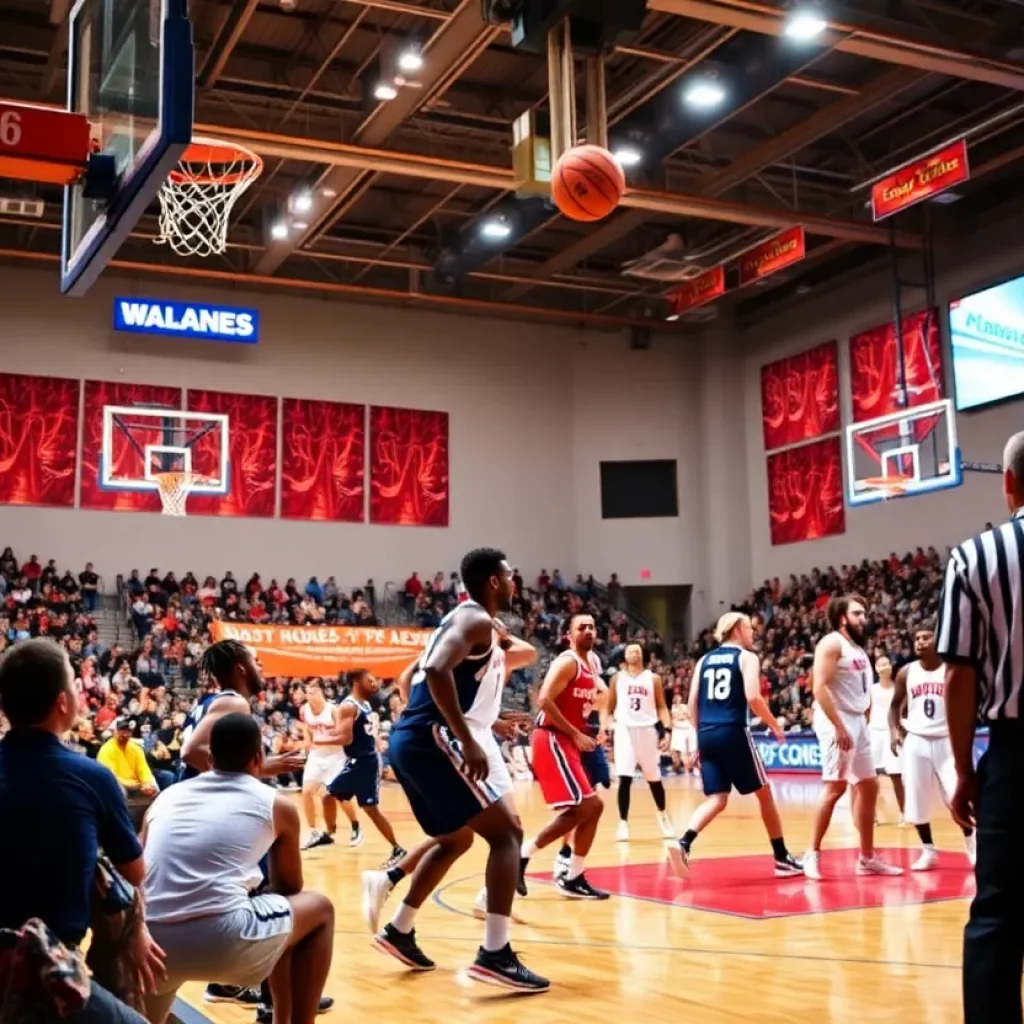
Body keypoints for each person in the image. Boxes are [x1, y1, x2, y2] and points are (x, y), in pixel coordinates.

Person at [375, 549, 549, 992]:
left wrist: (488, 722)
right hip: (431, 737)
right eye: (510, 576)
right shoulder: (472, 619)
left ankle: (400, 928)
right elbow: (433, 669)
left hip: (413, 739)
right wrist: (467, 739)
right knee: (507, 835)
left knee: (456, 837)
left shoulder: (474, 625)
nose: (514, 584)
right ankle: (495, 954)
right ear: (493, 581)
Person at [0, 638, 163, 1024]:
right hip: (41, 968)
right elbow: (135, 873)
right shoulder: (91, 776)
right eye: (75, 683)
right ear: (62, 702)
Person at [142, 713, 335, 1024]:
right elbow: (289, 887)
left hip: (150, 943)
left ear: (209, 757)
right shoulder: (276, 803)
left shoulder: (168, 796)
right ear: (259, 757)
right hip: (223, 938)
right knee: (317, 910)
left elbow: (138, 866)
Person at [179, 640, 325, 1018]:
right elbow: (190, 752)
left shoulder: (211, 702)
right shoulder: (234, 703)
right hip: (219, 816)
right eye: (255, 660)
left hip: (200, 814)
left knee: (265, 898)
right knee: (280, 899)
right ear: (241, 668)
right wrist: (257, 769)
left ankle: (262, 996)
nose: (261, 667)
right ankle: (268, 998)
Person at [938, 429, 1024, 1024]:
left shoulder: (975, 557)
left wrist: (966, 771)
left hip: (1015, 758)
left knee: (997, 913)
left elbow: (959, 677)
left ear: (1010, 483)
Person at [668, 612, 802, 878]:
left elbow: (692, 704)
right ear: (738, 629)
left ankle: (683, 843)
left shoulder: (704, 660)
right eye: (750, 628)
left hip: (706, 733)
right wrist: (774, 724)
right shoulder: (746, 657)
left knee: (717, 799)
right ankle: (782, 857)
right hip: (733, 730)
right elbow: (753, 697)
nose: (753, 633)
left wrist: (700, 737)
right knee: (765, 794)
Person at [803, 596, 903, 881]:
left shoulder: (857, 648)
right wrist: (838, 726)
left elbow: (859, 687)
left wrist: (865, 715)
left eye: (865, 613)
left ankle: (867, 858)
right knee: (834, 788)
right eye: (858, 613)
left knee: (869, 786)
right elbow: (818, 686)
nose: (864, 618)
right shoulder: (832, 643)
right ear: (843, 617)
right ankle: (812, 852)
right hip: (838, 719)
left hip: (857, 720)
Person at [520, 613, 609, 900]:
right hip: (552, 736)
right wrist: (576, 732)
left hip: (569, 739)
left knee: (593, 807)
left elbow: (603, 693)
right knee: (585, 807)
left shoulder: (593, 663)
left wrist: (599, 715)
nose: (588, 631)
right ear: (569, 635)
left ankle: (573, 875)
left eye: (591, 627)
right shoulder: (567, 661)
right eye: (581, 627)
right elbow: (544, 699)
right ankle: (523, 856)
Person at [889, 624, 976, 871]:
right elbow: (895, 705)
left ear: (938, 641)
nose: (920, 642)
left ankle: (971, 842)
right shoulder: (906, 672)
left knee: (956, 794)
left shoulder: (950, 670)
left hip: (946, 739)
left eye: (926, 637)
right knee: (915, 799)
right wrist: (894, 731)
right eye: (917, 638)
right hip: (916, 739)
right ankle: (928, 850)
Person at [326, 671, 404, 863]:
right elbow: (352, 732)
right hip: (359, 760)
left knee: (370, 808)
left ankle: (397, 849)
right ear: (356, 682)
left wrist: (318, 740)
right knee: (329, 795)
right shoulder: (353, 705)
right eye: (369, 680)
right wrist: (376, 741)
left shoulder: (356, 705)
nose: (374, 683)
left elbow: (346, 738)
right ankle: (329, 833)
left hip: (365, 762)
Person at [605, 643, 674, 841]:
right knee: (624, 777)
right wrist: (607, 727)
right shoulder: (617, 678)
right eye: (629, 650)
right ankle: (623, 823)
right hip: (624, 730)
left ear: (643, 655)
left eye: (636, 650)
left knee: (654, 778)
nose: (632, 652)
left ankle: (663, 816)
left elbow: (661, 707)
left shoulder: (653, 679)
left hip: (647, 730)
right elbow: (609, 708)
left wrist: (667, 730)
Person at [297, 678, 359, 851]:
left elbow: (343, 735)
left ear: (321, 692)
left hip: (335, 755)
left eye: (313, 692)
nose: (309, 695)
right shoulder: (305, 710)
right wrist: (306, 746)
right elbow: (307, 731)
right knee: (306, 792)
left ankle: (355, 826)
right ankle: (313, 831)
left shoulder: (333, 710)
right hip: (317, 755)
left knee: (338, 795)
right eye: (307, 692)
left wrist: (323, 740)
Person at [97, 718, 160, 827]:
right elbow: (111, 777)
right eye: (121, 731)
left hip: (136, 785)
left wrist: (147, 784)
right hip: (119, 784)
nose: (124, 734)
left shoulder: (136, 749)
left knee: (155, 788)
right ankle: (120, 826)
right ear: (114, 732)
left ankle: (147, 826)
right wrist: (137, 785)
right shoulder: (106, 750)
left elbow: (143, 770)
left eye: (127, 731)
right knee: (118, 789)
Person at [868, 655, 905, 824]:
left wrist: (899, 730)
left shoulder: (898, 687)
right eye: (880, 664)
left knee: (896, 774)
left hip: (892, 733)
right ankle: (873, 815)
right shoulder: (872, 689)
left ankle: (905, 813)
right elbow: (866, 712)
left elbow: (901, 710)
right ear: (876, 669)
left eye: (886, 664)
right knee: (872, 775)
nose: (884, 667)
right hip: (874, 733)